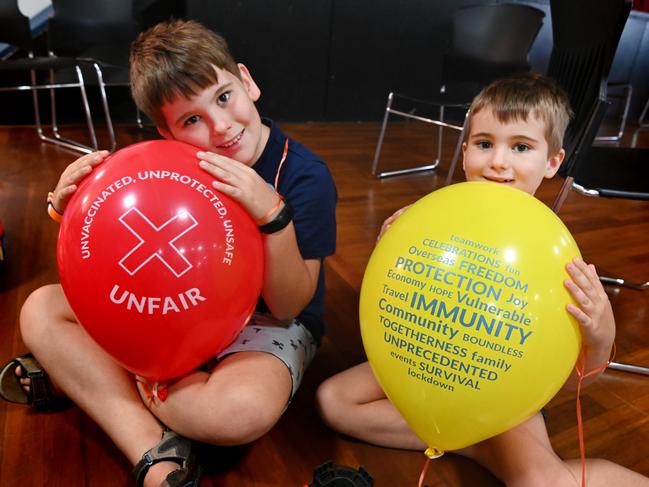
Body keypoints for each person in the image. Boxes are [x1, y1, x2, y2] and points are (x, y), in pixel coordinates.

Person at [0, 19, 336, 487]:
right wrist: (64, 206)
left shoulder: (304, 175)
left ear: (248, 81)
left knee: (235, 414)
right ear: (166, 132)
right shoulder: (160, 168)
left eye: (223, 97)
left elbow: (289, 305)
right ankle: (153, 450)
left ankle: (91, 384)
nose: (220, 127)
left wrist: (273, 217)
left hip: (266, 326)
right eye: (191, 120)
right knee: (38, 310)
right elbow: (106, 253)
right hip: (173, 318)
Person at [316, 73, 649, 486]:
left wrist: (601, 331)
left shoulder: (552, 257)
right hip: (425, 356)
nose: (497, 162)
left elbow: (578, 379)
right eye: (484, 143)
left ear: (553, 163)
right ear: (465, 150)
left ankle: (484, 434)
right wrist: (392, 252)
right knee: (333, 401)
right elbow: (389, 304)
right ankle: (469, 440)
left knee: (542, 483)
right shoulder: (427, 219)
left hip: (500, 386)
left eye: (521, 147)